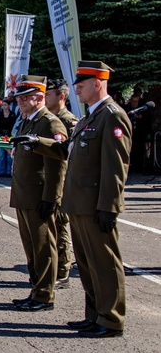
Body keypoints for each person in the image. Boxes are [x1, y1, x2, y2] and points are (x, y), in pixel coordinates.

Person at [15, 60, 131, 337]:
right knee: (89, 265)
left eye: (80, 85)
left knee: (105, 263)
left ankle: (112, 319)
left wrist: (109, 206)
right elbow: (68, 151)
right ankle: (95, 315)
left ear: (97, 84)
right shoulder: (92, 116)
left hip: (95, 205)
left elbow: (116, 166)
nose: (75, 90)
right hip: (79, 203)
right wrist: (38, 142)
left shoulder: (112, 115)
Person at [9, 75, 67, 312]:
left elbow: (58, 164)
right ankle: (36, 289)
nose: (20, 101)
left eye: (26, 97)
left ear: (40, 97)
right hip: (25, 194)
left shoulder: (50, 123)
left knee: (44, 247)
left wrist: (51, 198)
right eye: (19, 97)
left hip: (39, 196)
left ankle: (44, 295)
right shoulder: (27, 121)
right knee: (31, 247)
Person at [44, 78, 79, 288]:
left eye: (49, 94)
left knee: (59, 224)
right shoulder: (50, 117)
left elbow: (71, 153)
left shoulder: (68, 120)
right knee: (52, 224)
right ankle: (55, 267)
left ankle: (63, 271)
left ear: (61, 96)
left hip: (63, 180)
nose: (45, 98)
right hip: (50, 177)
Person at [0, 100, 18, 176]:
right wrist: (2, 134)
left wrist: (8, 134)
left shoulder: (12, 114)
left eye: (5, 105)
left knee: (9, 154)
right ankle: (1, 171)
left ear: (9, 105)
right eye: (2, 105)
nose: (4, 107)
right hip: (1, 135)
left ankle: (9, 171)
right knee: (1, 154)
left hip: (9, 135)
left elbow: (13, 125)